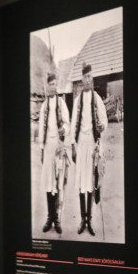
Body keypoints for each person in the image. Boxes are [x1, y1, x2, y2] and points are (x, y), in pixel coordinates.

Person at [70, 63, 107, 236]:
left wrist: (101, 126)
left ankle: (89, 221)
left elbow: (104, 120)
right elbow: (72, 125)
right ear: (81, 79)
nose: (87, 80)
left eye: (90, 77)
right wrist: (73, 145)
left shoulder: (96, 98)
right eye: (85, 77)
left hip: (92, 144)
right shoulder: (77, 101)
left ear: (92, 79)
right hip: (80, 144)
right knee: (80, 182)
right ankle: (82, 219)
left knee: (91, 181)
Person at [37, 72, 72, 234]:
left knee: (58, 182)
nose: (53, 86)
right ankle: (49, 217)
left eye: (55, 84)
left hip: (58, 147)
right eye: (51, 84)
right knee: (48, 182)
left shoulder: (61, 103)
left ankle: (56, 219)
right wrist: (41, 149)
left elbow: (67, 123)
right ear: (47, 86)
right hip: (47, 147)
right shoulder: (44, 106)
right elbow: (40, 129)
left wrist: (63, 129)